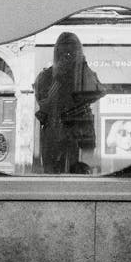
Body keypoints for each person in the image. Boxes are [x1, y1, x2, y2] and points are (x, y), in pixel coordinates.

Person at [35, 32, 103, 173]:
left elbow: (99, 91)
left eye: (72, 51)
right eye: (64, 51)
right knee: (53, 174)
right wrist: (58, 77)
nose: (68, 55)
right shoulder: (46, 76)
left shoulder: (84, 73)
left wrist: (82, 65)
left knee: (81, 173)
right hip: (56, 131)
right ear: (57, 53)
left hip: (80, 131)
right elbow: (43, 102)